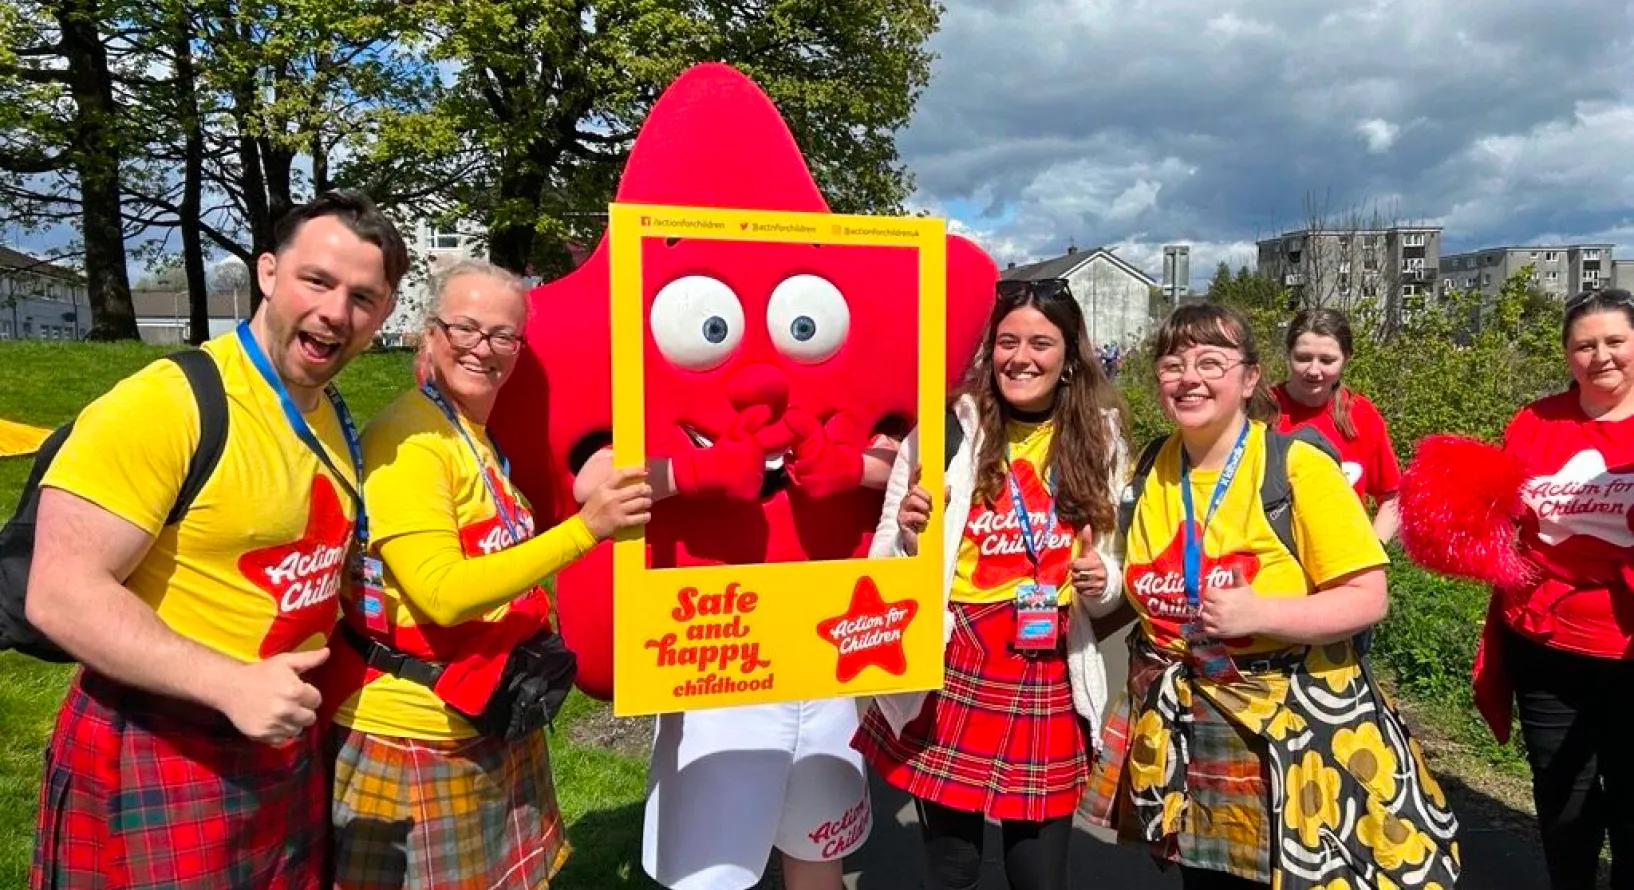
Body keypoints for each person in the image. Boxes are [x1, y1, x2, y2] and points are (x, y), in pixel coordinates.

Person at [26, 190, 408, 890]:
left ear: (382, 315)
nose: (335, 312)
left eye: (363, 297)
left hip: (278, 736)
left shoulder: (329, 413)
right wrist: (227, 683)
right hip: (161, 735)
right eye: (316, 281)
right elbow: (58, 591)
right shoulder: (167, 402)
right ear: (267, 273)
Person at [1083, 303, 1459, 889]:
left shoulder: (1296, 467)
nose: (1190, 377)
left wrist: (1264, 612)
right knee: (1202, 879)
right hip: (1178, 712)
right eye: (1173, 363)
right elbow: (1134, 580)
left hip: (1282, 721)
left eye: (1212, 362)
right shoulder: (1147, 466)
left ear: (1250, 378)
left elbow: (1368, 597)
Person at [321, 260, 653, 890]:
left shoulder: (473, 432)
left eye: (504, 335)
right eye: (465, 329)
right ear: (430, 333)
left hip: (483, 705)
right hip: (415, 726)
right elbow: (441, 594)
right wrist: (587, 528)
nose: (483, 349)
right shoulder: (412, 442)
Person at [852, 278, 1129, 890]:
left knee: (1039, 876)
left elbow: (1109, 580)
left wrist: (1099, 578)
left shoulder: (1100, 435)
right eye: (1007, 341)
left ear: (1068, 356)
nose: (1020, 357)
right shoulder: (946, 429)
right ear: (989, 348)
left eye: (1040, 343)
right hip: (955, 661)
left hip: (1049, 663)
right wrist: (909, 535)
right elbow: (887, 561)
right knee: (953, 868)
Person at [1474, 288, 1634, 890]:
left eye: (1615, 341)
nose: (1601, 357)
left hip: (1626, 647)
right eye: (1584, 345)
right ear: (1568, 354)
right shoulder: (1537, 421)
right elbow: (1500, 514)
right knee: (1562, 794)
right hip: (1543, 638)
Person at [1272, 308, 1402, 543]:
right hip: (1274, 566)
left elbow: (1393, 496)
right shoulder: (1260, 410)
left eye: (1327, 360)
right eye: (1303, 358)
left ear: (1346, 359)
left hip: (1342, 567)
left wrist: (1372, 552)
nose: (1314, 370)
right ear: (1288, 354)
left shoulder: (1361, 415)